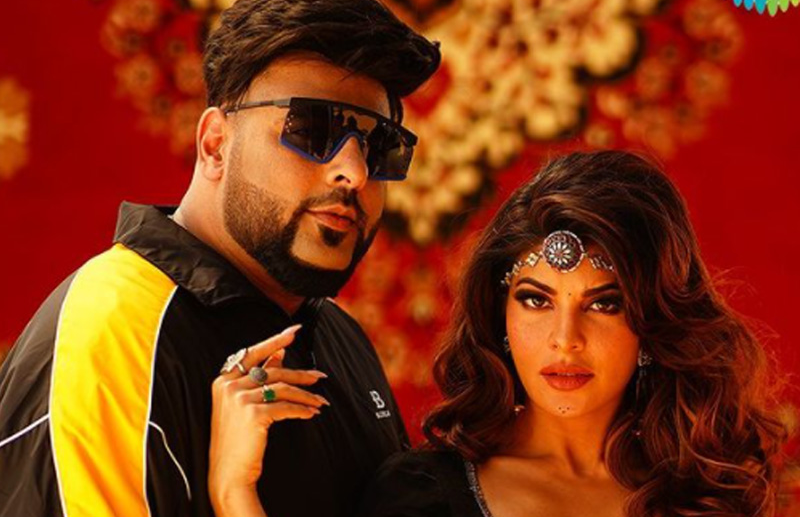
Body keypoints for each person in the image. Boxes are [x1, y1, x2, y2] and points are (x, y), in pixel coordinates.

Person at [0, 0, 440, 516]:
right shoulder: (114, 330)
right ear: (215, 144)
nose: (356, 172)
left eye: (381, 146)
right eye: (312, 130)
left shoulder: (338, 337)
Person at [207, 151, 787, 516]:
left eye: (604, 304)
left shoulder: (709, 494)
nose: (565, 338)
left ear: (652, 323)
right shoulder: (425, 496)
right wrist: (234, 491)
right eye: (536, 299)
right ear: (499, 314)